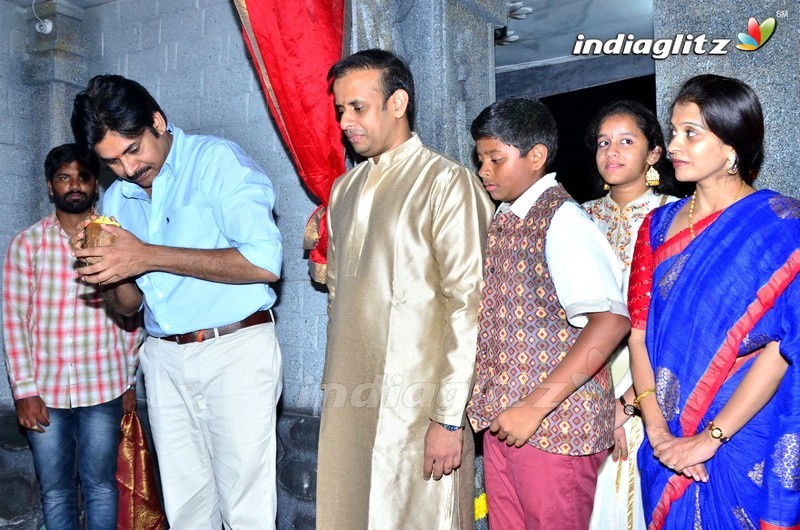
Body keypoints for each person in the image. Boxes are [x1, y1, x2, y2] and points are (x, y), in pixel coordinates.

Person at [70, 75, 283, 529]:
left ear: (158, 121)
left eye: (133, 150)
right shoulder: (117, 198)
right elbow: (129, 306)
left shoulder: (214, 161)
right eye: (112, 161)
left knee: (246, 508)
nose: (128, 169)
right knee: (186, 510)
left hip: (234, 350)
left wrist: (144, 254)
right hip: (163, 359)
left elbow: (264, 262)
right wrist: (105, 270)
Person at [317, 48, 494, 529]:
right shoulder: (344, 191)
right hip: (351, 401)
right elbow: (338, 300)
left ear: (397, 103)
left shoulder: (446, 182)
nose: (346, 122)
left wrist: (449, 418)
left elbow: (470, 306)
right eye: (340, 111)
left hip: (420, 410)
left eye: (358, 107)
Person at [628, 74, 800, 529]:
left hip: (743, 437)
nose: (674, 144)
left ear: (731, 147)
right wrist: (657, 432)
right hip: (663, 442)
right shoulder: (657, 227)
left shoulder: (783, 228)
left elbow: (783, 348)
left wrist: (711, 437)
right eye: (673, 130)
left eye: (691, 133)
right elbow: (639, 332)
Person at [466, 97, 631, 530]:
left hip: (554, 430)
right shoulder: (507, 219)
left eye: (496, 159)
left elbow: (610, 322)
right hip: (508, 423)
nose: (484, 170)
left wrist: (533, 408)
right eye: (480, 159)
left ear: (536, 156)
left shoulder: (563, 221)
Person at [3, 144, 140, 529]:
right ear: (50, 187)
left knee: (100, 485)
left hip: (104, 386)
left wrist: (128, 380)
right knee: (56, 489)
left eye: (83, 176)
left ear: (95, 184)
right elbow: (14, 320)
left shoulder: (116, 239)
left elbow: (132, 317)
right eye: (64, 177)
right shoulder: (26, 245)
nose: (74, 185)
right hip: (45, 392)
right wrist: (24, 391)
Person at [582, 100, 683, 530]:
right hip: (587, 381)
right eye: (604, 142)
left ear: (654, 153)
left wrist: (628, 404)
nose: (612, 152)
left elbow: (676, 321)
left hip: (653, 381)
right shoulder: (578, 217)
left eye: (626, 141)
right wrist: (594, 401)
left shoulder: (678, 217)